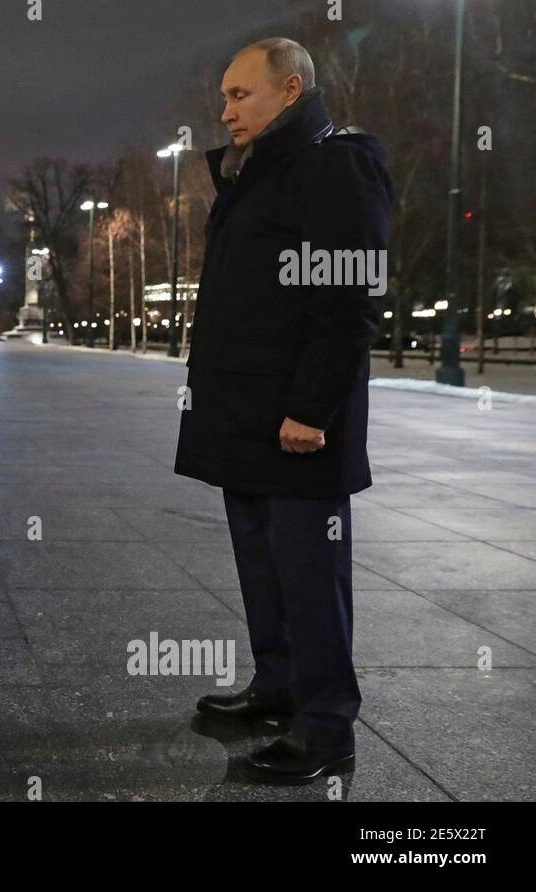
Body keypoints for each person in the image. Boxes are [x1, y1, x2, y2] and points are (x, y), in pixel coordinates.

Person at [173, 37, 394, 782]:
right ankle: (279, 688)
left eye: (241, 95)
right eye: (225, 96)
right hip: (244, 419)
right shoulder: (261, 170)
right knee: (265, 566)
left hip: (298, 425)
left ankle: (327, 724)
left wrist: (311, 408)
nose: (225, 109)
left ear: (291, 90)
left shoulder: (336, 164)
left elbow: (351, 300)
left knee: (308, 571)